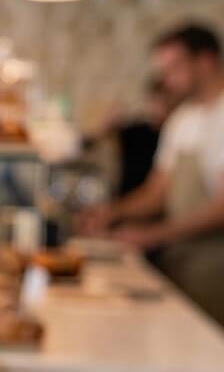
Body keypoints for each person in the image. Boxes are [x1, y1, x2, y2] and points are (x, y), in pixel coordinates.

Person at [81, 23, 224, 322]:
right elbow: (158, 192)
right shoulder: (185, 118)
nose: (166, 79)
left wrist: (153, 235)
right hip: (183, 262)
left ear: (206, 60)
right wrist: (111, 212)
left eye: (174, 67)